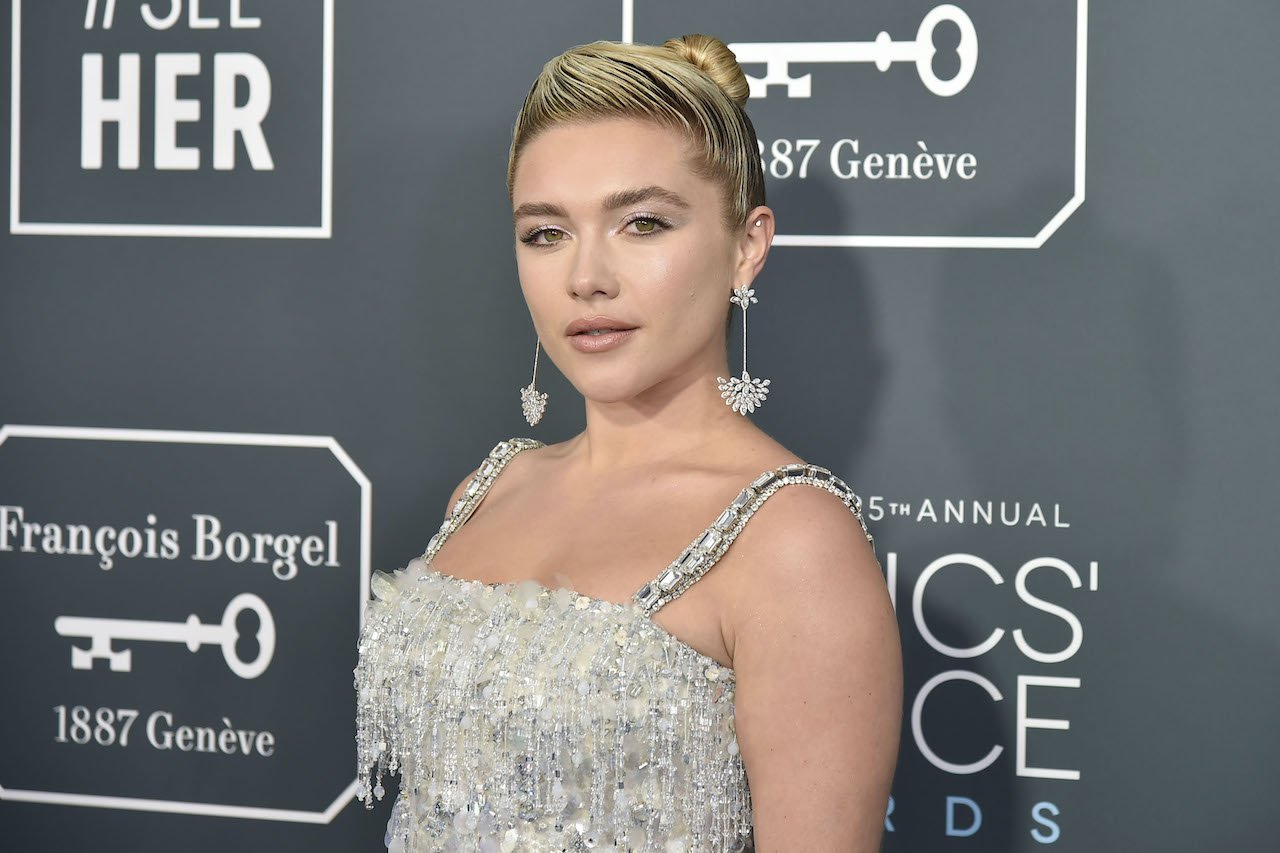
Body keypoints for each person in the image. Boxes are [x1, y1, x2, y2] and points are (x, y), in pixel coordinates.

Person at [355, 33, 902, 853]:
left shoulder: (793, 541)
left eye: (641, 223)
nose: (586, 277)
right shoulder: (486, 488)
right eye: (546, 232)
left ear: (746, 246)